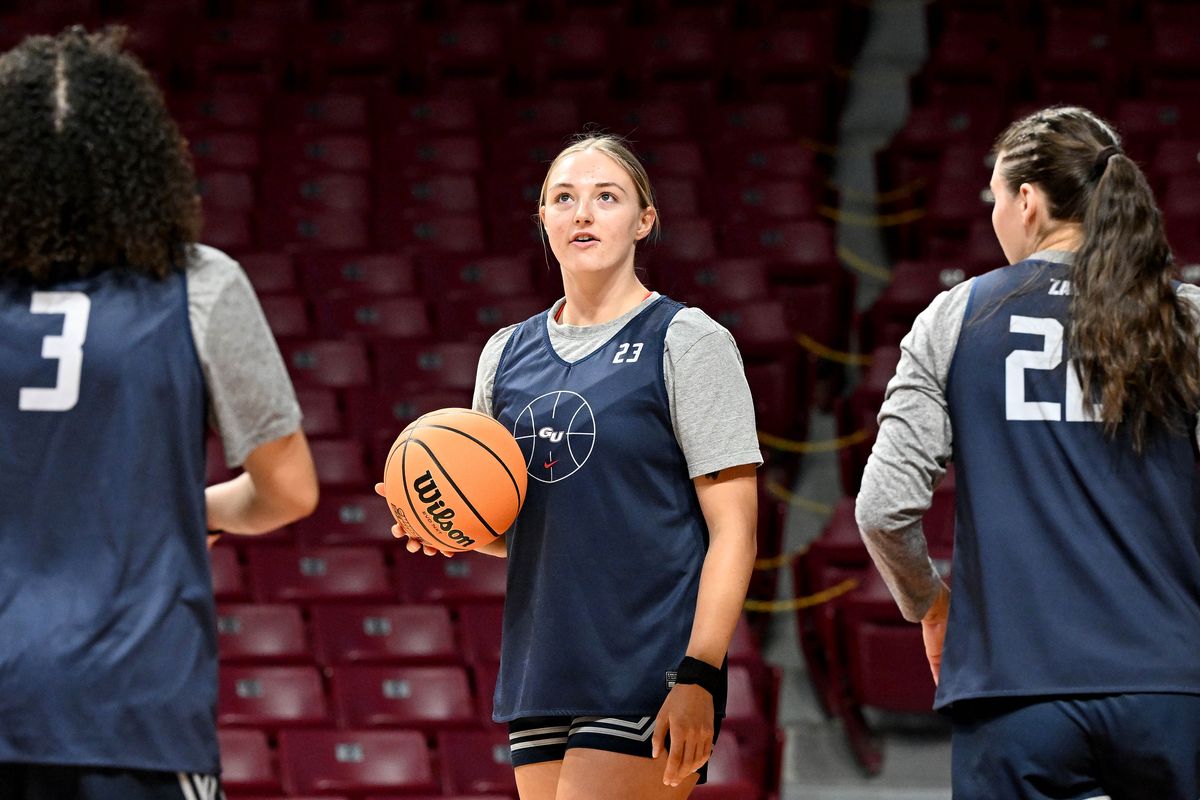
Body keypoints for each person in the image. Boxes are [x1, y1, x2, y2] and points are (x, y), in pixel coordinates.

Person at [382, 133, 761, 799]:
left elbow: (734, 530)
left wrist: (701, 671)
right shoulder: (505, 355)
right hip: (543, 660)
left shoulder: (689, 341)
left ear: (644, 221)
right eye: (565, 198)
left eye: (605, 197)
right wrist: (443, 522)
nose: (582, 212)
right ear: (543, 221)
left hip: (649, 658)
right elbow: (522, 526)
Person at [0, 27, 318, 800]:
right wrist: (187, 511)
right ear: (140, 161)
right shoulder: (201, 285)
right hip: (134, 707)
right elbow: (290, 492)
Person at [855, 104, 1200, 799]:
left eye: (995, 198)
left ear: (1027, 200)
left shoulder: (957, 316)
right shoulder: (1185, 316)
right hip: (1172, 686)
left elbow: (883, 508)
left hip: (1013, 689)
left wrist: (931, 604)